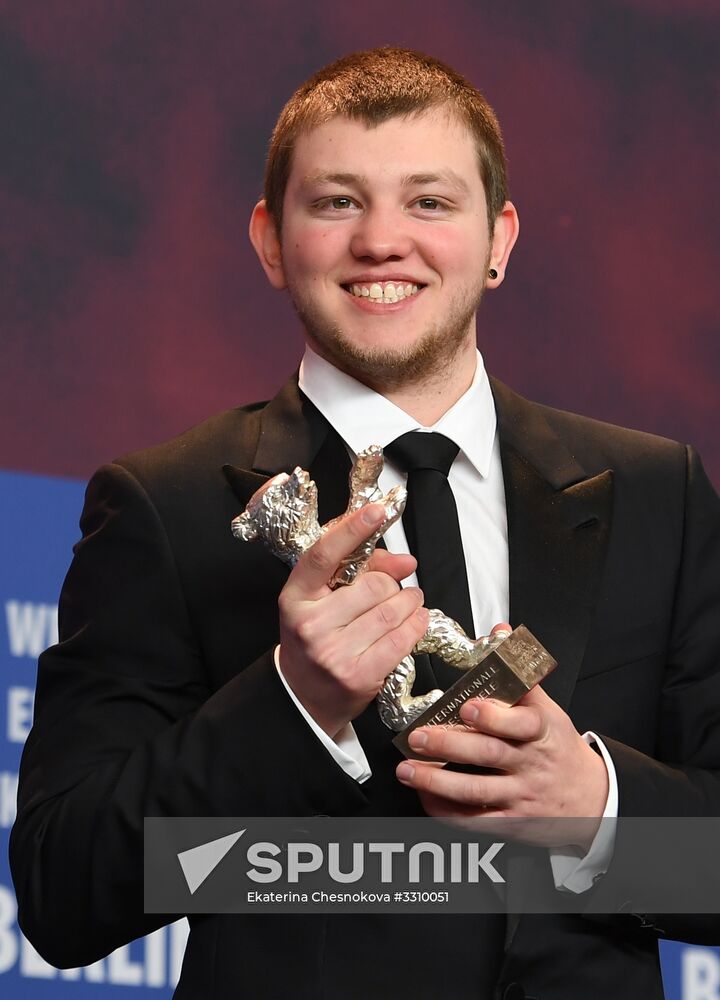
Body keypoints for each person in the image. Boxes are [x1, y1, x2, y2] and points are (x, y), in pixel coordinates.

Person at [10, 47, 720, 1000]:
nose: (384, 241)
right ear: (270, 240)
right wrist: (290, 704)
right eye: (337, 201)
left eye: (430, 201)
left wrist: (598, 814)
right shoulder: (164, 507)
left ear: (500, 238)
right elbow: (66, 896)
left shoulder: (655, 494)